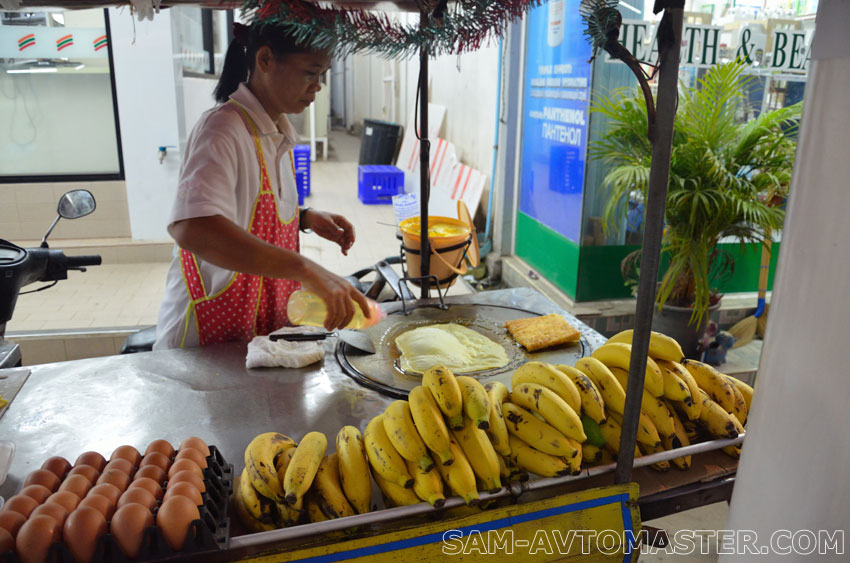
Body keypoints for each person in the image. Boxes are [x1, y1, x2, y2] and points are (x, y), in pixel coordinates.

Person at [153, 22, 370, 350]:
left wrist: (305, 217)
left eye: (322, 74)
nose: (317, 86)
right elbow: (192, 227)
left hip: (254, 340)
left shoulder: (273, 132)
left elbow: (247, 209)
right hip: (202, 347)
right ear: (265, 60)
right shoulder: (222, 130)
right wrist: (307, 269)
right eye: (310, 72)